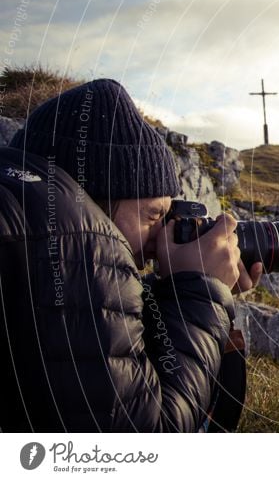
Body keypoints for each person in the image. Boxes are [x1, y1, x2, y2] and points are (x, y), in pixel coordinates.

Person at [0, 78, 261, 432]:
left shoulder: (37, 230)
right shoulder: (80, 240)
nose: (160, 238)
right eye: (153, 215)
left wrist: (186, 291)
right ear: (94, 197)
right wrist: (201, 296)